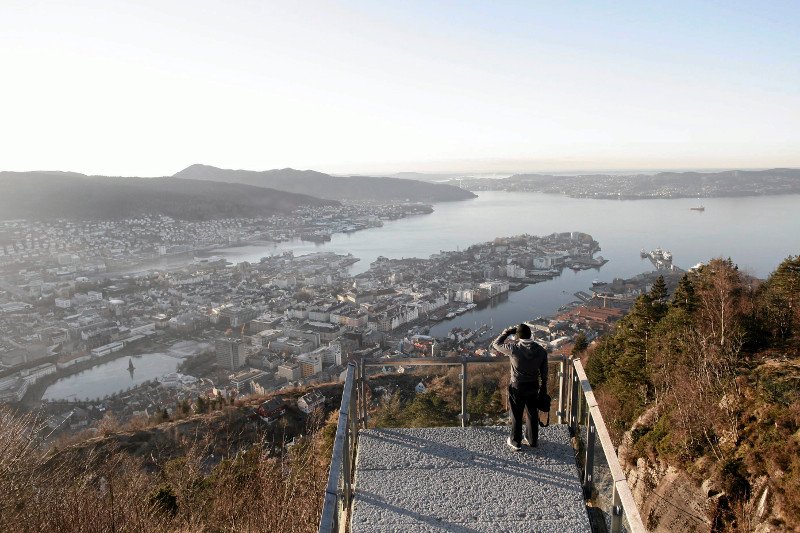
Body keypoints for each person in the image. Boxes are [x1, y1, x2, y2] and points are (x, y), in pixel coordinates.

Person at [491, 323, 548, 451]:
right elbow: (544, 372)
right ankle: (532, 440)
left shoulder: (514, 348)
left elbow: (496, 344)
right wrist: (543, 387)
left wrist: (506, 333)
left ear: (518, 336)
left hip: (517, 386)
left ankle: (515, 441)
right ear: (531, 335)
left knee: (517, 414)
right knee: (532, 413)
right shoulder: (541, 350)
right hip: (533, 385)